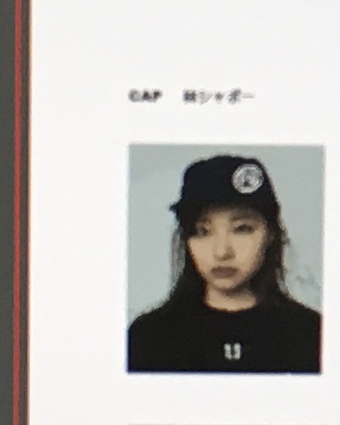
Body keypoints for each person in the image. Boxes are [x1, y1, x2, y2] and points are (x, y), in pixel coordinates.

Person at [129, 152, 323, 372]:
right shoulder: (149, 337)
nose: (222, 252)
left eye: (242, 229)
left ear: (270, 234)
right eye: (202, 231)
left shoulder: (310, 334)